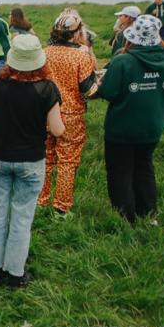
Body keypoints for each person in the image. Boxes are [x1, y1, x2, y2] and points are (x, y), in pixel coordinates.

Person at [0, 35, 65, 288]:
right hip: (31, 160)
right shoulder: (47, 89)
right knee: (22, 216)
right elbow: (58, 130)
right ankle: (14, 274)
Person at [98, 15, 164, 225]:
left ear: (132, 37)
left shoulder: (122, 60)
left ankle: (125, 218)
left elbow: (109, 92)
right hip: (152, 127)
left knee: (120, 171)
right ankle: (149, 213)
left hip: (122, 128)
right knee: (144, 168)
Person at [37, 11, 98, 216]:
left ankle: (41, 199)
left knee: (45, 158)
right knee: (67, 160)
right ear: (76, 32)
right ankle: (61, 207)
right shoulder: (82, 55)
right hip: (70, 113)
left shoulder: (44, 52)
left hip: (44, 111)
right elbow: (89, 89)